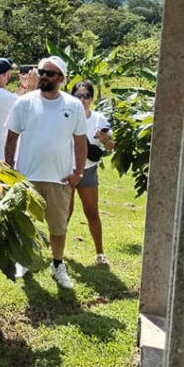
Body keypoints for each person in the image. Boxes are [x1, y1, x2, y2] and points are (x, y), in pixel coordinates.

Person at [4, 55, 88, 290]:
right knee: (25, 224)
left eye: (49, 73)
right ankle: (23, 260)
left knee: (58, 227)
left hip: (59, 178)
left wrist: (78, 173)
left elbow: (80, 141)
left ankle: (57, 264)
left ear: (61, 78)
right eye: (41, 71)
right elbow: (11, 137)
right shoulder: (25, 102)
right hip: (27, 177)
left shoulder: (73, 105)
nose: (43, 76)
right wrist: (9, 169)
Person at [69, 79, 115, 266]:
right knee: (65, 212)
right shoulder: (66, 116)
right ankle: (58, 256)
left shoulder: (99, 119)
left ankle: (100, 254)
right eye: (78, 96)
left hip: (88, 170)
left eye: (86, 96)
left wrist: (105, 140)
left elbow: (111, 146)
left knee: (92, 212)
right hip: (67, 169)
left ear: (92, 99)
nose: (82, 100)